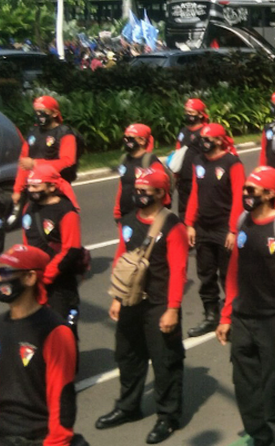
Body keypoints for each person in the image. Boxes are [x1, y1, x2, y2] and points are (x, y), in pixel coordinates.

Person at [216, 167, 275, 446]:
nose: (245, 195)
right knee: (246, 388)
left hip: (274, 322)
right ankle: (260, 437)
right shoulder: (243, 220)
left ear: (269, 194)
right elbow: (234, 275)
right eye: (245, 189)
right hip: (243, 321)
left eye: (251, 190)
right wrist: (226, 316)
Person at [97, 165, 186, 443]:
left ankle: (167, 417)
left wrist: (172, 308)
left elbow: (179, 269)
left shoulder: (172, 225)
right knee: (128, 357)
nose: (139, 195)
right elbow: (121, 257)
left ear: (161, 193)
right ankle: (128, 407)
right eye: (136, 191)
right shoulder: (127, 221)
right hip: (130, 302)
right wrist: (116, 296)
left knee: (165, 362)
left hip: (159, 304)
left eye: (146, 191)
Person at [0, 244, 79, 446]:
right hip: (1, 437)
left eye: (6, 272)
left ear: (30, 277)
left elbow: (61, 397)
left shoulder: (55, 332)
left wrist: (56, 442)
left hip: (39, 439)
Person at [184, 122, 245, 338]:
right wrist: (190, 223)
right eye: (202, 139)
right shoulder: (198, 160)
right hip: (203, 228)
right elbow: (194, 193)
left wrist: (232, 229)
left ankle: (233, 318)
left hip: (224, 228)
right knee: (205, 273)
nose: (204, 143)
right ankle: (211, 316)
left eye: (208, 139)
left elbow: (239, 197)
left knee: (228, 275)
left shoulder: (232, 163)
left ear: (219, 140)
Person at [20, 164, 85, 334]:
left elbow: (71, 249)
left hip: (59, 284)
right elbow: (27, 241)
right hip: (35, 281)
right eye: (29, 186)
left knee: (63, 331)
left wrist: (46, 277)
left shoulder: (66, 211)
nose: (31, 190)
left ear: (51, 187)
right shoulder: (29, 208)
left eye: (36, 186)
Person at [13, 95, 80, 207]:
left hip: (55, 191)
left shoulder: (65, 133)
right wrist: (17, 189)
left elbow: (68, 161)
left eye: (42, 111)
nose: (39, 115)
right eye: (36, 112)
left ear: (54, 113)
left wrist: (35, 164)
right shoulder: (33, 133)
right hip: (34, 189)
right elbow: (23, 162)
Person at [112, 123, 165, 223]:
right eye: (125, 138)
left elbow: (161, 192)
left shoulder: (151, 162)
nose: (127, 141)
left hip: (145, 216)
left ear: (142, 140)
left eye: (131, 138)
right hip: (126, 214)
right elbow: (122, 186)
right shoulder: (124, 159)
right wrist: (117, 211)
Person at [173, 98, 209, 217]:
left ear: (200, 114)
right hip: (183, 180)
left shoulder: (205, 132)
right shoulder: (183, 132)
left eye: (191, 112)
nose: (188, 115)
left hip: (198, 179)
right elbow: (178, 152)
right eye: (186, 112)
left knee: (199, 211)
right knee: (183, 212)